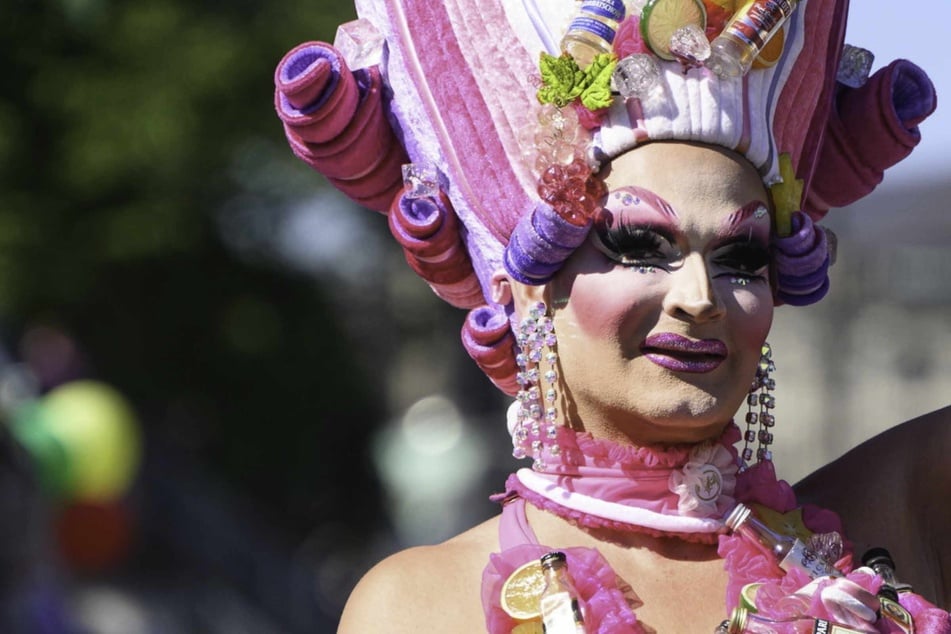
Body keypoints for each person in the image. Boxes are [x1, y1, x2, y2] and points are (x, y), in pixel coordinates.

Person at [273, 0, 949, 631]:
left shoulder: (887, 524)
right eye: (639, 246)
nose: (699, 295)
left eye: (740, 257)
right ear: (529, 287)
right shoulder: (422, 605)